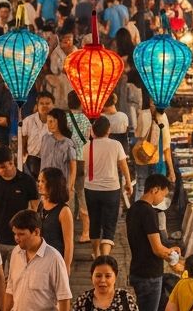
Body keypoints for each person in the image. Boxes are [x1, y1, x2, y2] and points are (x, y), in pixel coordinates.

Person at [126, 174, 181, 311]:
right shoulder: (148, 212)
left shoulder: (134, 209)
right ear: (155, 189)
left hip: (139, 269)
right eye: (163, 195)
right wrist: (172, 254)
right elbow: (157, 249)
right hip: (149, 273)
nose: (162, 200)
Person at [0, 145, 38, 263]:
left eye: (3, 167)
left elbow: (35, 210)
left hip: (18, 239)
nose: (0, 171)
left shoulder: (27, 181)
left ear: (12, 162)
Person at [83, 117, 132, 257]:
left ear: (93, 131)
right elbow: (123, 166)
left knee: (95, 222)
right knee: (109, 224)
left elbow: (82, 167)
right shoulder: (116, 145)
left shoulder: (86, 146)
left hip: (91, 189)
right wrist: (128, 183)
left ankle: (96, 253)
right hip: (111, 190)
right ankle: (105, 257)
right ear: (108, 130)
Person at [131, 101, 174, 200]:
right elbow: (166, 145)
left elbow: (137, 134)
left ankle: (139, 212)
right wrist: (171, 170)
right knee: (157, 189)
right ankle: (154, 212)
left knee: (141, 187)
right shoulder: (163, 117)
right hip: (157, 159)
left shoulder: (143, 115)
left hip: (142, 156)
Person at [36, 167, 74, 273]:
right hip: (40, 258)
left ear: (53, 184)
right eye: (39, 181)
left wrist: (66, 267)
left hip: (56, 261)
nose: (39, 184)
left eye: (43, 181)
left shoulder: (64, 211)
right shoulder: (41, 204)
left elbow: (69, 244)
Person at [66, 92, 93, 243]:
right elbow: (89, 137)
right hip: (83, 159)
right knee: (82, 195)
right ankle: (86, 232)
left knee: (69, 194)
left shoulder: (64, 119)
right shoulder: (85, 119)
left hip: (69, 160)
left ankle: (68, 232)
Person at [40, 109, 77, 193]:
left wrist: (70, 187)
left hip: (60, 186)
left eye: (51, 121)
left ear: (60, 121)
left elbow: (73, 168)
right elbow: (43, 162)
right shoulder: (45, 138)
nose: (49, 125)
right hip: (45, 184)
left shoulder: (68, 143)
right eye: (48, 122)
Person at [20, 91, 53, 178]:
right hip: (30, 160)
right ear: (37, 106)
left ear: (53, 105)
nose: (45, 106)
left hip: (50, 162)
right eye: (41, 103)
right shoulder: (28, 120)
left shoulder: (58, 121)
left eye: (48, 103)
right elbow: (23, 138)